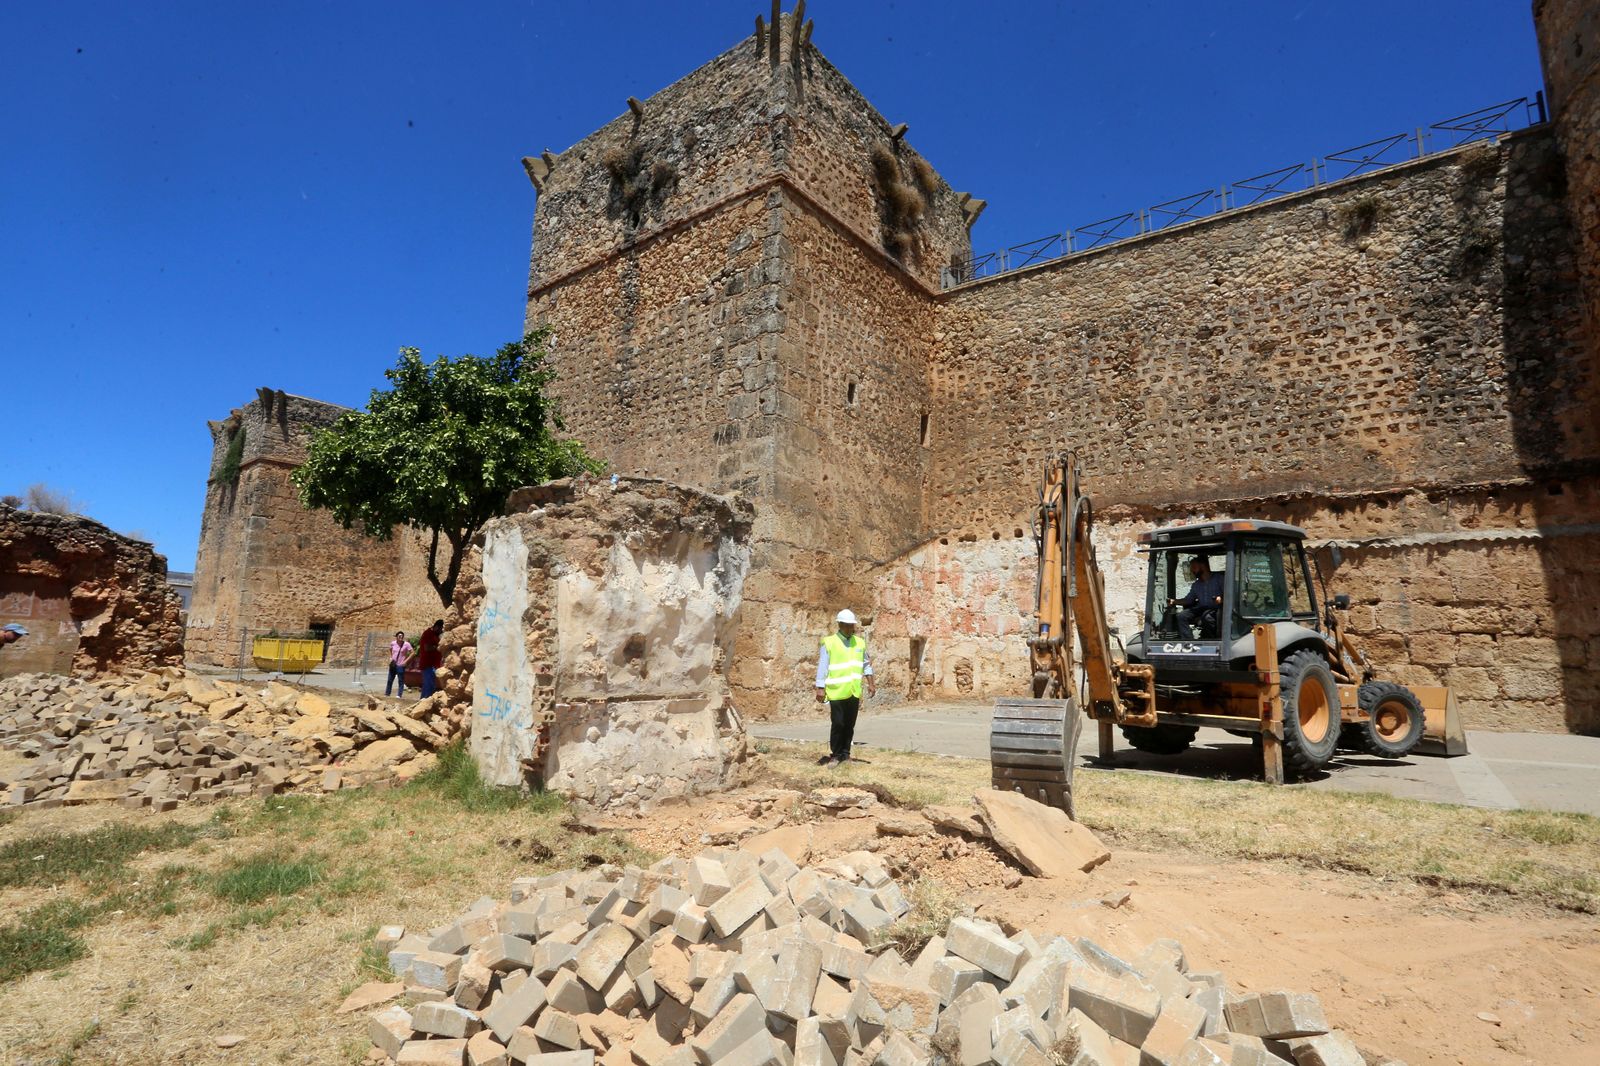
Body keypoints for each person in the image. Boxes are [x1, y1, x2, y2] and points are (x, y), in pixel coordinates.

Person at [814, 609, 874, 766]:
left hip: (853, 690)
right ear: (840, 625)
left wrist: (871, 682)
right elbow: (823, 666)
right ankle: (836, 754)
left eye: (851, 626)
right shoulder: (829, 642)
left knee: (849, 723)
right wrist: (820, 687)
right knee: (838, 723)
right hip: (836, 690)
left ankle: (846, 754)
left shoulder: (860, 643)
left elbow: (866, 664)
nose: (849, 629)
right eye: (846, 625)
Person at [1170, 556, 1225, 638]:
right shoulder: (1196, 584)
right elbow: (1189, 600)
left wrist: (1222, 598)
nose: (1192, 571)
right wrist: (1174, 601)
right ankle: (1188, 641)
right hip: (1202, 608)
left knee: (1207, 617)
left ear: (1203, 566)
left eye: (1194, 567)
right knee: (1181, 616)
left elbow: (1229, 592)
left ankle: (1211, 640)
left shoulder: (1219, 579)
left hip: (1217, 609)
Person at [417, 619, 444, 698]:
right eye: (440, 629)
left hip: (433, 665)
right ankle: (424, 706)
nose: (441, 631)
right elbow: (427, 648)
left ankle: (422, 705)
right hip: (428, 665)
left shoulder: (435, 635)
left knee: (429, 687)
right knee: (429, 688)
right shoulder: (428, 633)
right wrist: (439, 647)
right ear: (436, 627)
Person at [386, 631, 413, 698]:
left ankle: (399, 695)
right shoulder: (393, 643)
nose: (401, 637)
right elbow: (390, 649)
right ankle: (387, 693)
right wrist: (391, 657)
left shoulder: (406, 644)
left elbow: (412, 653)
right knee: (390, 679)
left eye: (402, 636)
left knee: (400, 680)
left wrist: (405, 661)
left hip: (400, 665)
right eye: (399, 636)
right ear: (396, 637)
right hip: (393, 664)